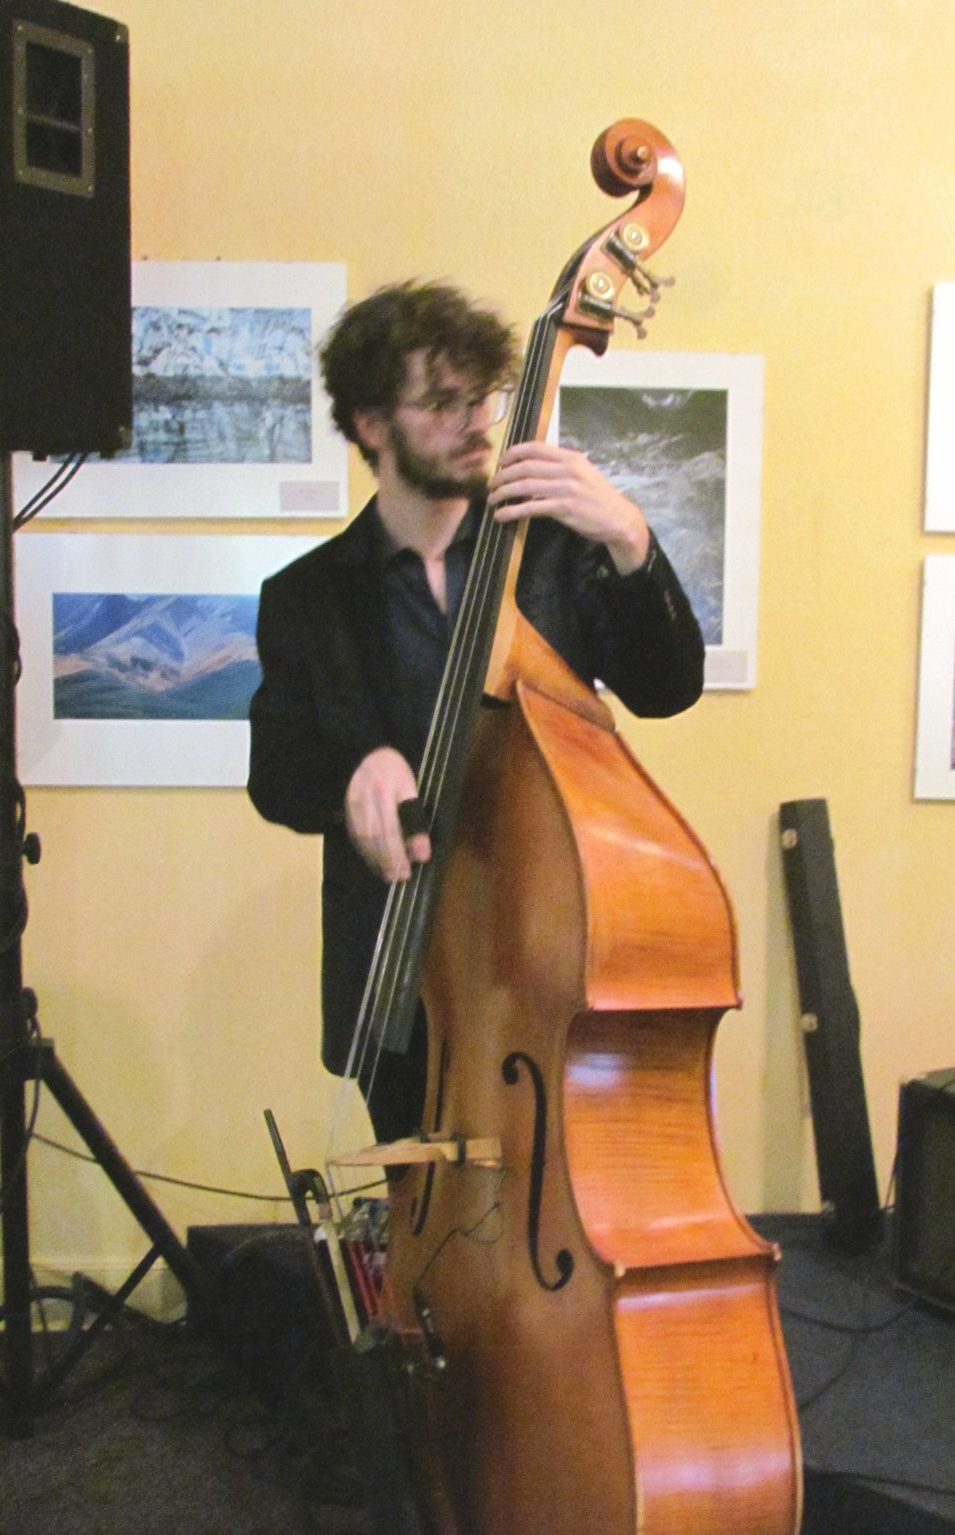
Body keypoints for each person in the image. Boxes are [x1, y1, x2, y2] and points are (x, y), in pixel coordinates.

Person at [247, 281, 705, 1142]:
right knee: (420, 1205)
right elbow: (274, 775)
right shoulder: (307, 596)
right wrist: (353, 774)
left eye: (481, 398)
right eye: (442, 403)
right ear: (372, 425)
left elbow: (667, 687)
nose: (476, 423)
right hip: (397, 974)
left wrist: (629, 538)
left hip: (545, 955)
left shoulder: (555, 552)